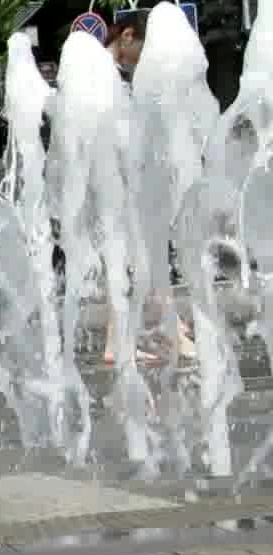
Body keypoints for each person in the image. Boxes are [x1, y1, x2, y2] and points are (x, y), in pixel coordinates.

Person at [99, 11, 196, 365]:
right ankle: (172, 330)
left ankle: (121, 341)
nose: (142, 58)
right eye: (142, 48)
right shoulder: (101, 71)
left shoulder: (108, 70)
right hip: (115, 183)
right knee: (144, 253)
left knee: (131, 258)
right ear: (127, 36)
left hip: (118, 181)